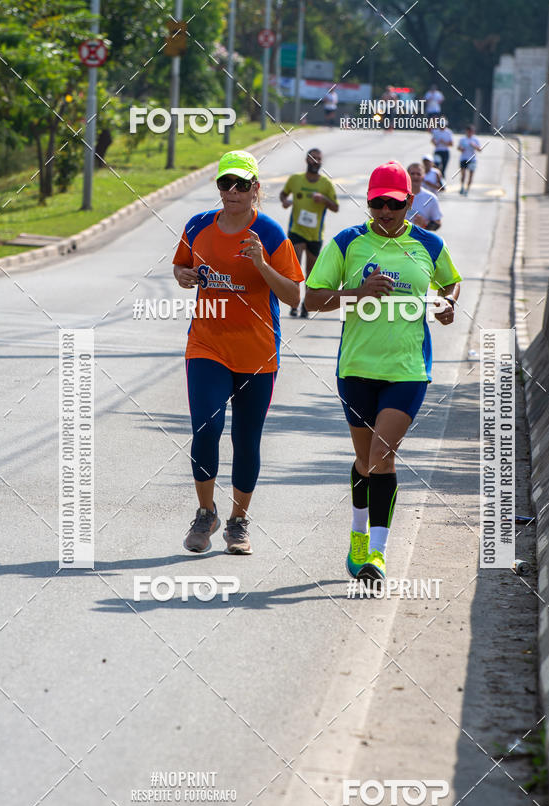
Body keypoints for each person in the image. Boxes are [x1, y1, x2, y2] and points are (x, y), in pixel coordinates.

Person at [304, 161, 461, 583]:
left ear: (409, 202)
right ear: (368, 202)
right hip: (356, 367)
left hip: (408, 368)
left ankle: (377, 553)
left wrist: (447, 305)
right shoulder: (347, 243)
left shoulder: (429, 244)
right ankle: (358, 538)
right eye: (377, 204)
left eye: (393, 204)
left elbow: (450, 285)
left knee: (381, 456)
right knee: (363, 459)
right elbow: (313, 299)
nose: (385, 212)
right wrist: (358, 292)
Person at [173, 150, 304, 554]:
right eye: (225, 183)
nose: (231, 191)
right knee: (206, 429)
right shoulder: (197, 226)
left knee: (247, 440)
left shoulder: (270, 233)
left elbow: (295, 293)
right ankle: (205, 512)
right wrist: (185, 276)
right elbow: (179, 268)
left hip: (257, 352)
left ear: (255, 190)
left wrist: (262, 264)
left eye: (241, 185)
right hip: (207, 345)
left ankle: (238, 521)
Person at [280, 149, 339, 317]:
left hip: (315, 235)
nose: (315, 161)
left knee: (310, 273)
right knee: (296, 269)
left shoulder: (326, 184)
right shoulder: (295, 180)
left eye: (319, 159)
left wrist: (324, 199)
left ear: (321, 162)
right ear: (307, 160)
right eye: (313, 158)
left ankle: (306, 305)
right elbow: (283, 194)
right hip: (296, 231)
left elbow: (335, 207)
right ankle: (294, 303)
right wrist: (285, 202)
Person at [405, 162, 442, 231]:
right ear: (407, 175)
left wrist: (425, 224)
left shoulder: (431, 198)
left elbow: (437, 223)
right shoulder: (399, 196)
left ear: (424, 176)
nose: (415, 176)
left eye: (418, 174)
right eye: (412, 173)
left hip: (421, 239)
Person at [458, 125, 482, 195]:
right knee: (463, 174)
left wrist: (474, 145)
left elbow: (480, 149)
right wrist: (461, 148)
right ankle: (462, 187)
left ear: (473, 132)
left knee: (471, 175)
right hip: (463, 158)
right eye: (468, 131)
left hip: (472, 159)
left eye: (471, 132)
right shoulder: (462, 139)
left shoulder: (475, 140)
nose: (469, 133)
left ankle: (467, 190)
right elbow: (458, 147)